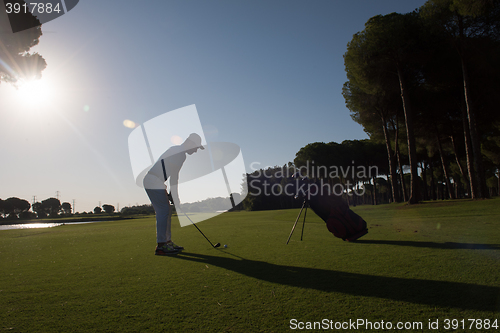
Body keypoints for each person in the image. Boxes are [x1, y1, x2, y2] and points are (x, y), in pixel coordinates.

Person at [143, 133, 204, 255]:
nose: (196, 150)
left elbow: (172, 175)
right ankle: (161, 245)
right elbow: (174, 176)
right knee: (163, 211)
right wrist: (175, 196)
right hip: (153, 180)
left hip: (157, 181)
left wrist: (172, 194)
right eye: (196, 147)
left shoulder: (178, 151)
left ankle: (167, 242)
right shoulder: (179, 153)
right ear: (190, 143)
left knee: (167, 210)